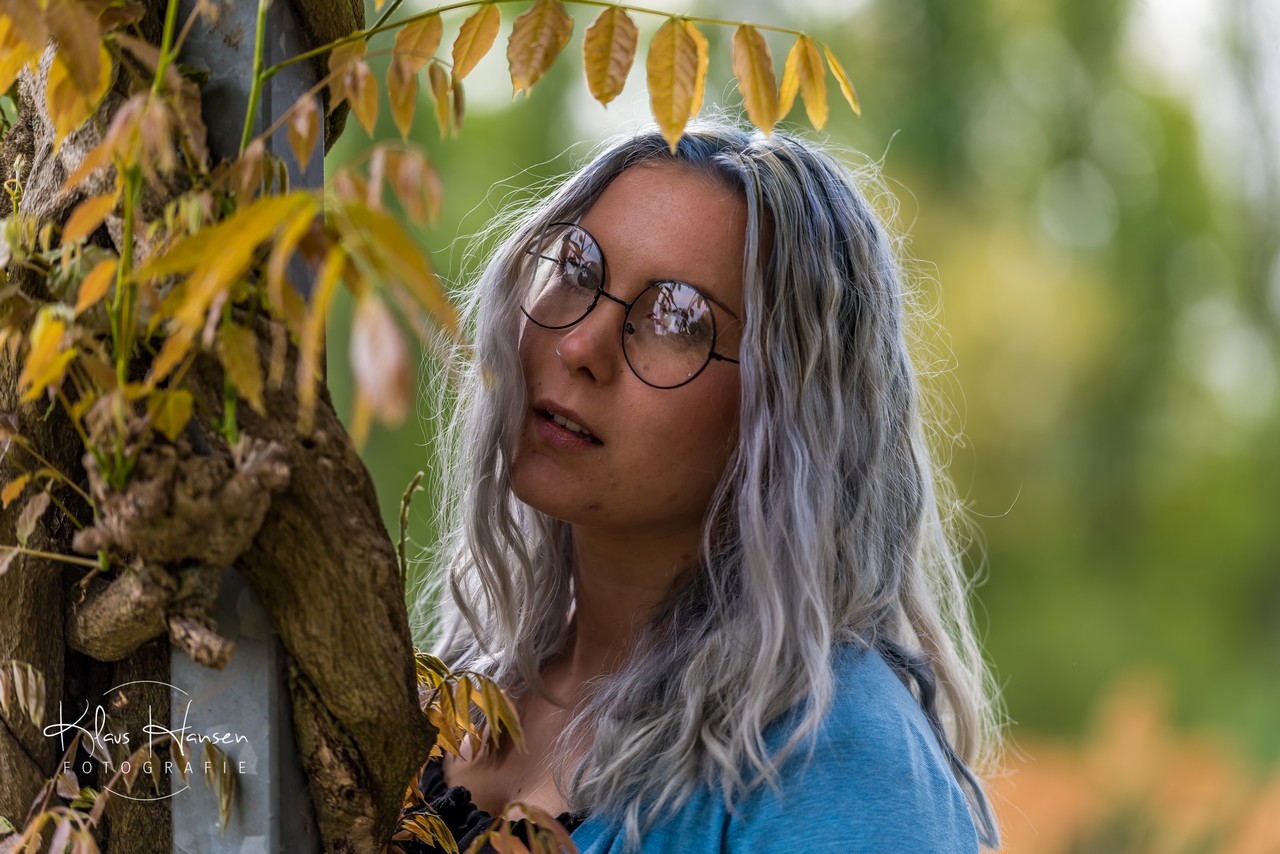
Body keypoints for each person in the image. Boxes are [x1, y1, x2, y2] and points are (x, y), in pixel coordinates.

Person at [401, 122, 1001, 853]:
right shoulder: (461, 685)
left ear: (788, 415)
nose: (580, 345)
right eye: (579, 269)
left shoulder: (828, 763)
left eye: (678, 318)